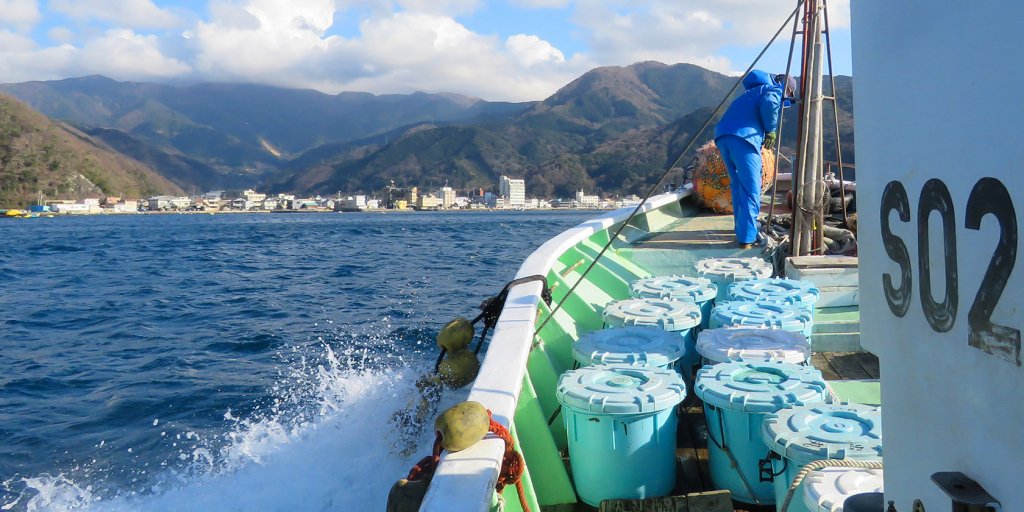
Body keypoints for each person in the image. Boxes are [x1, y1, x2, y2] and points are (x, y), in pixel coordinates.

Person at [714, 70, 795, 248]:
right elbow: (770, 103)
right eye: (789, 94)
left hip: (723, 137)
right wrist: (771, 129)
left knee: (737, 187)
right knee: (751, 189)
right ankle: (747, 239)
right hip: (744, 140)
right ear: (787, 89)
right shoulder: (774, 90)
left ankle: (742, 229)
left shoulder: (750, 93)